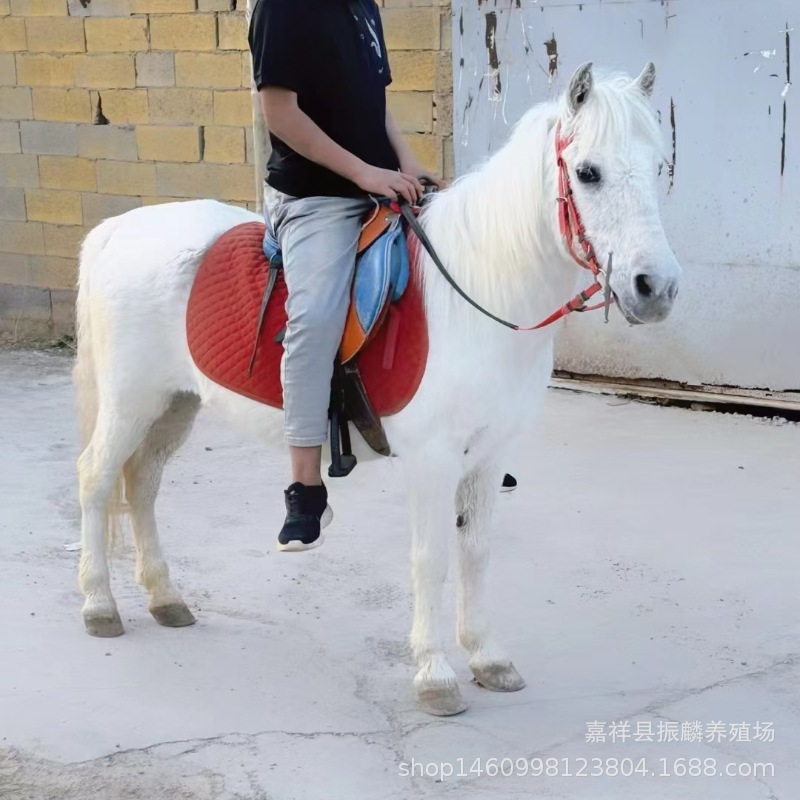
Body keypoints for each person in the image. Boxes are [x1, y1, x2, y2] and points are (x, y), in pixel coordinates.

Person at [248, 0, 516, 553]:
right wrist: (365, 172)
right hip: (315, 197)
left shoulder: (363, 6)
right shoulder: (282, 7)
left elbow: (376, 104)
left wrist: (406, 162)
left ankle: (472, 445)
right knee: (316, 315)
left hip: (379, 182)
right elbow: (280, 112)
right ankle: (304, 482)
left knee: (455, 279)